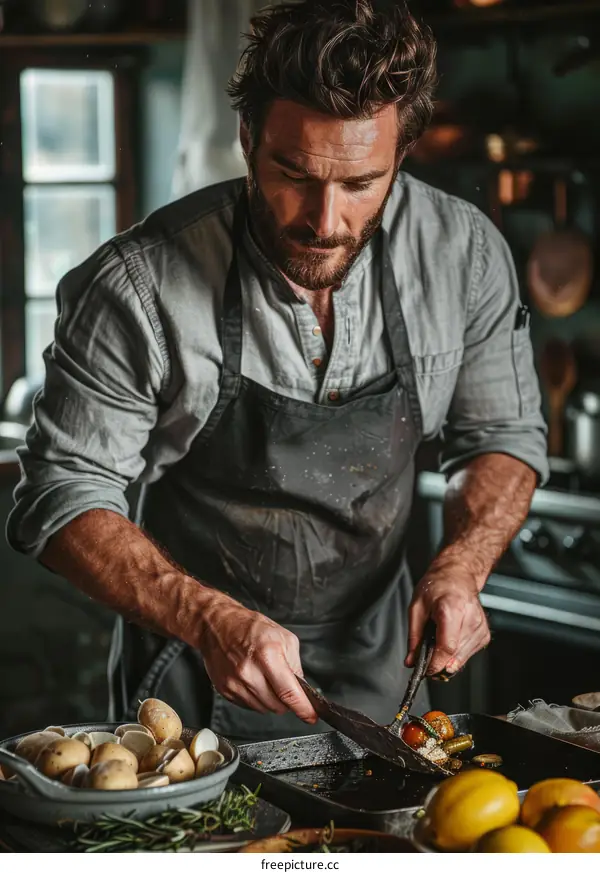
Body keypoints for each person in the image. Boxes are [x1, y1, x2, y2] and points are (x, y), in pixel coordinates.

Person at [7, 0, 547, 742]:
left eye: (360, 183)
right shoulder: (139, 284)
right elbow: (61, 495)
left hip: (386, 669)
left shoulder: (466, 255)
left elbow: (503, 435)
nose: (324, 221)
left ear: (402, 154)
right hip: (195, 677)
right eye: (293, 173)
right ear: (247, 136)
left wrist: (462, 565)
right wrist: (208, 616)